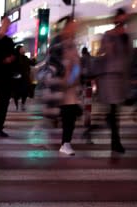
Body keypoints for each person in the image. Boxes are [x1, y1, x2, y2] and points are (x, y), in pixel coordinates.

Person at [96, 8, 132, 153]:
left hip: (121, 78)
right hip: (109, 77)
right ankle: (116, 143)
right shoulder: (108, 35)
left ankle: (105, 126)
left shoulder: (126, 37)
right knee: (114, 110)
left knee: (114, 111)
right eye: (119, 18)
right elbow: (101, 52)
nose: (121, 22)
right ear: (116, 19)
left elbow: (129, 57)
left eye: (123, 19)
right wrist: (108, 46)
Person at [48, 16, 82, 156]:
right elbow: (53, 61)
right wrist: (65, 72)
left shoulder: (72, 43)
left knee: (70, 114)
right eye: (72, 26)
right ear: (66, 26)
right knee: (65, 113)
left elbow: (76, 62)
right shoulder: (58, 41)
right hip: (61, 84)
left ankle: (66, 143)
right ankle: (65, 142)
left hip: (71, 86)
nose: (74, 29)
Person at [13, 45, 32, 111]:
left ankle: (23, 104)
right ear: (18, 50)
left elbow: (31, 63)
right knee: (16, 92)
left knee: (25, 92)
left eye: (23, 49)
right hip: (17, 78)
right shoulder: (15, 58)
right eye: (21, 49)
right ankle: (16, 105)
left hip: (25, 78)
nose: (23, 50)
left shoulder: (25, 58)